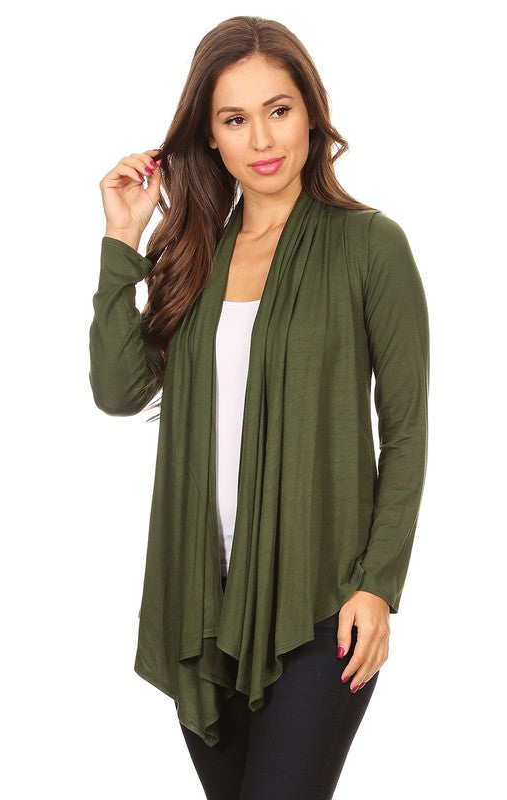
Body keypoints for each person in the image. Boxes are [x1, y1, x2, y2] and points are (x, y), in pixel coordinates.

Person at [88, 15, 429, 800]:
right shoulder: (192, 252)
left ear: (310, 111)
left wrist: (377, 585)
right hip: (201, 605)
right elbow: (118, 391)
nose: (262, 138)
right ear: (209, 137)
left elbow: (405, 428)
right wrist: (122, 242)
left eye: (278, 109)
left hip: (321, 603)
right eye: (234, 119)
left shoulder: (369, 245)